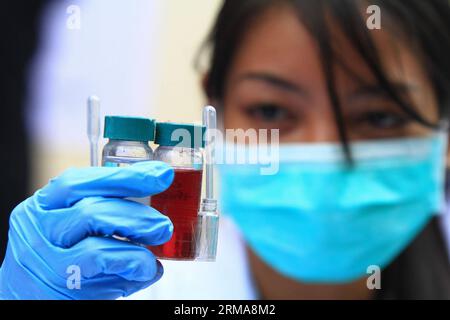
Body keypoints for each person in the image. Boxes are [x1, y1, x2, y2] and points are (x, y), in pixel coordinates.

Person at [1, 0, 449, 300]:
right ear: (214, 110)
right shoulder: (141, 289)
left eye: (379, 117)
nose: (323, 150)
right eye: (271, 111)